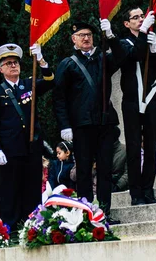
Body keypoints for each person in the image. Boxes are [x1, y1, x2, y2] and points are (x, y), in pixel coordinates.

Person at [53, 20, 124, 223]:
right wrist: (64, 124)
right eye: (82, 35)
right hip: (81, 126)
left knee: (104, 169)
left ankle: (104, 212)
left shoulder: (102, 59)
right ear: (74, 39)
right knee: (84, 171)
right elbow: (59, 98)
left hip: (104, 123)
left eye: (90, 35)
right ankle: (85, 213)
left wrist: (111, 36)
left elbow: (121, 57)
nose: (86, 38)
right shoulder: (67, 64)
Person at [0, 43, 54, 228]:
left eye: (15, 62)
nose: (13, 65)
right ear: (1, 69)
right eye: (8, 63)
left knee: (32, 187)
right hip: (9, 148)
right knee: (10, 188)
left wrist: (40, 60)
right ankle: (11, 225)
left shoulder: (28, 84)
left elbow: (49, 81)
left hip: (31, 146)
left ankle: (33, 224)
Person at [119, 7, 156, 205]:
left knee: (150, 147)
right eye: (135, 17)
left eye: (142, 17)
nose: (140, 20)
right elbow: (132, 56)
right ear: (127, 23)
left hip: (150, 98)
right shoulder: (123, 43)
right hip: (132, 102)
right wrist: (144, 36)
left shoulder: (151, 40)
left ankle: (148, 190)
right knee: (133, 149)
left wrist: (155, 50)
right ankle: (136, 193)